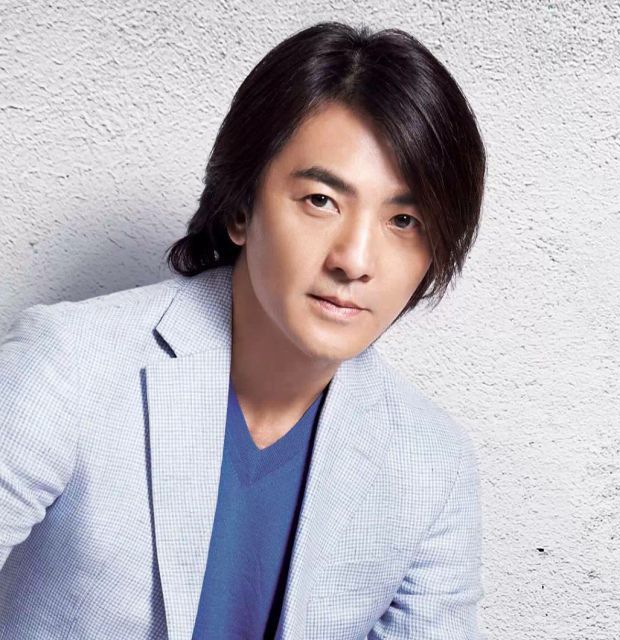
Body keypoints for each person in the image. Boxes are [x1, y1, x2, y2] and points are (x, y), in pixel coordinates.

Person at [0, 20, 487, 640]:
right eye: (320, 201)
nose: (355, 260)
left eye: (404, 220)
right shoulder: (69, 364)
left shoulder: (431, 465)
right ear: (240, 208)